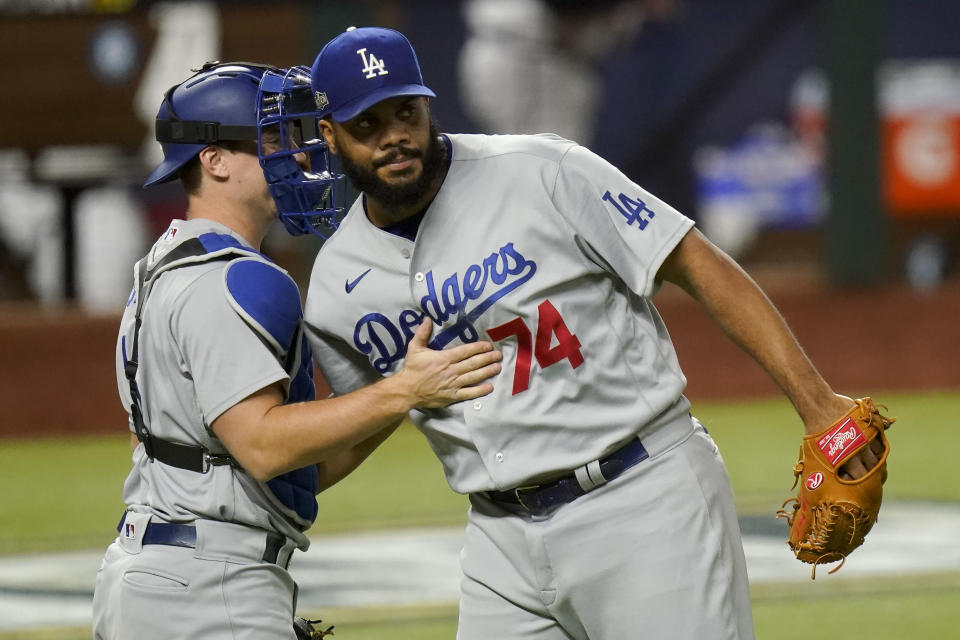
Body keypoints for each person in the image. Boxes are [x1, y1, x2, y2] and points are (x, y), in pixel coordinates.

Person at [300, 27, 886, 640]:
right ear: (331, 135)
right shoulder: (340, 280)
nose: (395, 136)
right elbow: (360, 419)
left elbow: (695, 262)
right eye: (368, 125)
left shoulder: (541, 171)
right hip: (499, 544)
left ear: (428, 106)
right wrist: (240, 515)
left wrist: (817, 403)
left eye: (406, 112)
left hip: (642, 502)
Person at [91, 61, 502, 640]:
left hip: (155, 576)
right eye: (270, 141)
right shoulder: (239, 280)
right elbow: (262, 445)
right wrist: (403, 388)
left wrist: (407, 391)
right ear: (213, 160)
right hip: (211, 588)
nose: (300, 157)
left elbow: (296, 470)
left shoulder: (157, 269)